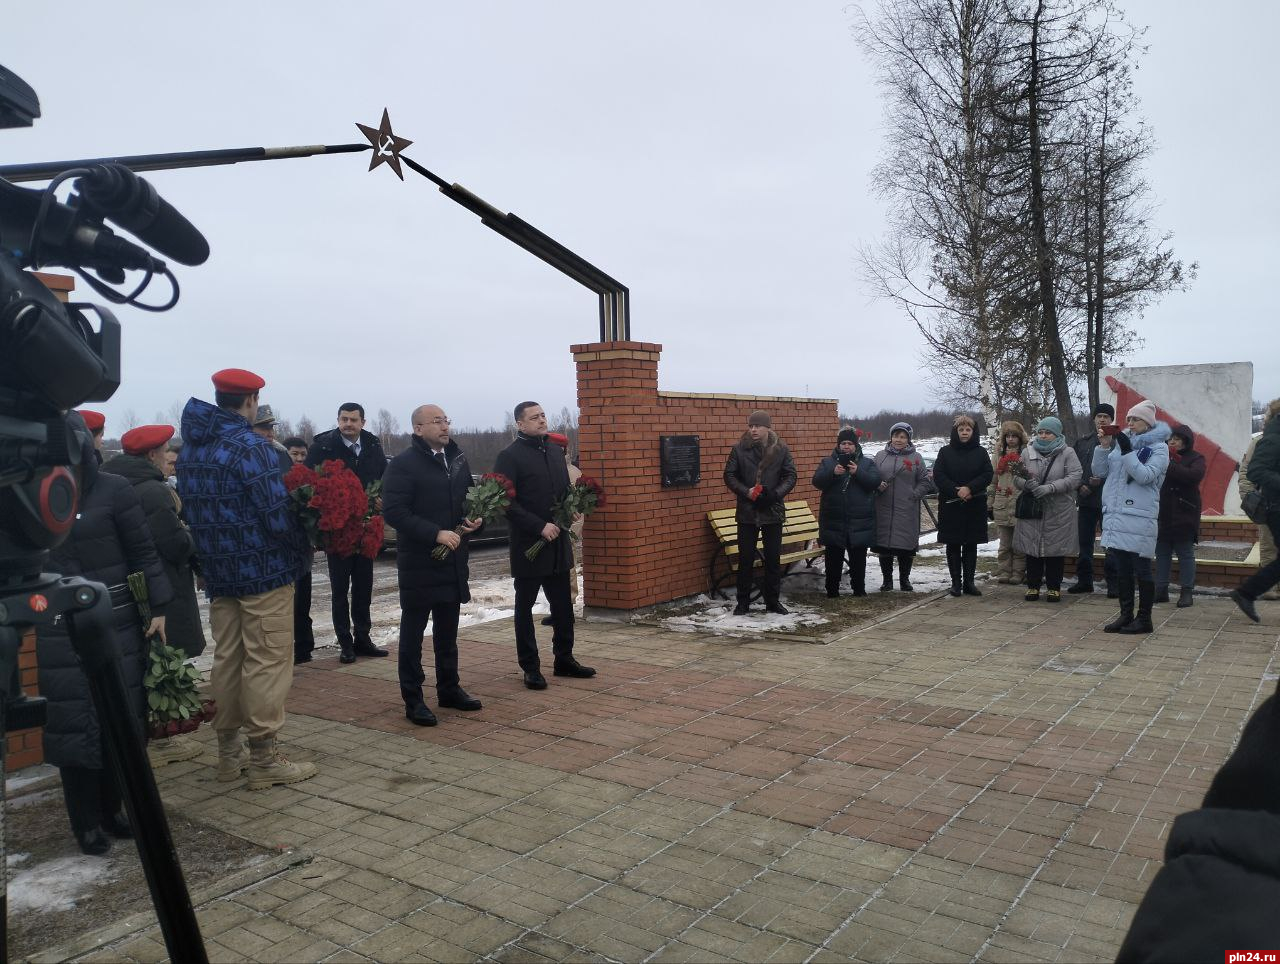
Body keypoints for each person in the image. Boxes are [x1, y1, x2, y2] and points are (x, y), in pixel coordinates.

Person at [37, 419, 172, 855]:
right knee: (74, 723)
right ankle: (85, 822)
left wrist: (156, 606)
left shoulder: (115, 490)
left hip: (116, 618)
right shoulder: (33, 493)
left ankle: (113, 810)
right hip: (59, 624)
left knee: (121, 719)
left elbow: (142, 553)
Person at [178, 368, 315, 789]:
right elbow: (275, 515)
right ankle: (264, 759)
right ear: (252, 400)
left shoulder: (189, 450)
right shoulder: (249, 447)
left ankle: (227, 755)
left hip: (220, 575)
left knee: (229, 660)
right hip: (263, 574)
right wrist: (303, 539)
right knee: (267, 661)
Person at [102, 424, 207, 768]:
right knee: (161, 658)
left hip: (134, 585)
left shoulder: (114, 484)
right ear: (151, 455)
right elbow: (173, 543)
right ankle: (159, 742)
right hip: (163, 583)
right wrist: (191, 535)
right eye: (164, 452)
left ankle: (151, 738)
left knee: (146, 657)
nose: (169, 459)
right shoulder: (153, 491)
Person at [382, 404, 484, 725]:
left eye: (446, 420)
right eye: (436, 421)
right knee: (413, 635)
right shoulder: (403, 464)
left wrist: (471, 520)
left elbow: (467, 497)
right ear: (417, 429)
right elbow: (395, 512)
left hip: (452, 561)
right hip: (419, 563)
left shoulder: (456, 459)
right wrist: (434, 533)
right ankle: (413, 699)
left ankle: (449, 688)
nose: (444, 426)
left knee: (447, 632)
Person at [494, 401, 595, 688]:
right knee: (524, 608)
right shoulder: (509, 456)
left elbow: (562, 491)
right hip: (529, 544)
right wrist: (538, 526)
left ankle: (564, 658)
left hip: (558, 541)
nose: (541, 420)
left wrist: (571, 508)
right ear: (520, 424)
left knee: (563, 606)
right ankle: (530, 667)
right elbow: (504, 501)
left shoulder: (553, 451)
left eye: (542, 415)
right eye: (534, 417)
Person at [305, 403, 388, 663]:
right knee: (340, 590)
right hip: (338, 527)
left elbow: (385, 477)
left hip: (366, 527)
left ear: (363, 421)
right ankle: (346, 643)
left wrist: (381, 499)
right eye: (344, 419)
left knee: (364, 587)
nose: (348, 424)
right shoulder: (323, 447)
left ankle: (363, 638)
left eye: (353, 419)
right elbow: (310, 483)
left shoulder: (373, 445)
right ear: (338, 420)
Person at [1093, 400, 1171, 635]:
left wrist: (1127, 451)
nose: (1130, 423)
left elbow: (1145, 476)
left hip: (1139, 515)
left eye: (1135, 419)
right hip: (1117, 514)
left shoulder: (1159, 448)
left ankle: (1144, 618)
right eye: (1128, 419)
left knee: (1142, 568)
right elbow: (1100, 473)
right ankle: (1125, 615)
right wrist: (1105, 447)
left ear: (1147, 423)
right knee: (1122, 568)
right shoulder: (1121, 443)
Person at [723, 410, 798, 616]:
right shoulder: (739, 449)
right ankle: (743, 603)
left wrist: (775, 494)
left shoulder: (781, 449)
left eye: (758, 426)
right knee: (746, 560)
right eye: (751, 426)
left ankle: (772, 602)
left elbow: (791, 476)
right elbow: (729, 476)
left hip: (772, 511)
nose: (753, 429)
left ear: (767, 427)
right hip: (747, 513)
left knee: (773, 560)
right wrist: (745, 491)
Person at [1011, 417, 1082, 602]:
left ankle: (1053, 587)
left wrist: (1051, 487)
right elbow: (1016, 477)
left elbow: (1075, 476)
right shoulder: (1028, 452)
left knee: (1055, 551)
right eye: (1041, 432)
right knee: (1032, 548)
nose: (1043, 435)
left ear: (1057, 434)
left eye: (1048, 432)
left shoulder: (1067, 452)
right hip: (1033, 508)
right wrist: (1027, 484)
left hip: (1058, 509)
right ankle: (1033, 586)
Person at [812, 428, 881, 597]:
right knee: (833, 557)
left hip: (859, 519)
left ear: (855, 445)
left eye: (850, 443)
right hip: (834, 518)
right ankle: (832, 591)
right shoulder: (828, 463)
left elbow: (874, 482)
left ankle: (859, 589)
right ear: (838, 445)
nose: (846, 446)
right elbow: (817, 482)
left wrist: (858, 472)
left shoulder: (866, 463)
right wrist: (832, 473)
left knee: (858, 557)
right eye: (843, 443)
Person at [932, 415, 994, 597]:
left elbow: (987, 474)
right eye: (961, 430)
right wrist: (955, 490)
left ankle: (969, 582)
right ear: (956, 432)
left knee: (970, 544)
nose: (965, 433)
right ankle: (955, 584)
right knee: (953, 544)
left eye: (968, 430)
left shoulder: (981, 452)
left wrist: (970, 488)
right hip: (951, 505)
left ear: (973, 432)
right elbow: (939, 475)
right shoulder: (945, 452)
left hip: (974, 504)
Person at [1231, 399, 1280, 622]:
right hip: (1275, 507)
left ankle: (1246, 593)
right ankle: (1247, 592)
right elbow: (1255, 471)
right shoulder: (1271, 439)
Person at [872, 422, 934, 592]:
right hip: (883, 507)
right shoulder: (880, 456)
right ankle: (887, 581)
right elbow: (872, 477)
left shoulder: (916, 458)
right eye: (895, 436)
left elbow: (924, 481)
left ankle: (904, 580)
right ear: (890, 437)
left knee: (905, 547)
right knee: (884, 546)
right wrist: (877, 485)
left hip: (906, 508)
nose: (898, 440)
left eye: (902, 436)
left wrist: (914, 495)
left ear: (908, 439)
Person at [1155, 424, 1206, 608]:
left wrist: (1170, 464)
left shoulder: (1196, 458)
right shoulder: (1161, 456)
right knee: (1162, 552)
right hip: (1163, 511)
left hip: (1185, 512)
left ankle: (1187, 591)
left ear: (1186, 440)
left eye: (1176, 438)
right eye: (1170, 438)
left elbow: (1193, 476)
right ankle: (1160, 590)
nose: (1173, 442)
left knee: (1185, 553)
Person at [1070, 403, 1117, 595]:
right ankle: (1084, 581)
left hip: (1109, 502)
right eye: (1099, 416)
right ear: (1094, 419)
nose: (1103, 419)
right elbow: (1073, 467)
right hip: (1086, 501)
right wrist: (1080, 485)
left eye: (1106, 416)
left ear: (1111, 420)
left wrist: (1100, 482)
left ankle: (1113, 584)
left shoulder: (1118, 442)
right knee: (1085, 543)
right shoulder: (1083, 442)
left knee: (1111, 544)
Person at [280, 435, 316, 661]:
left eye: (303, 455)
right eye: (295, 454)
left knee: (303, 602)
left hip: (304, 551)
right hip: (284, 552)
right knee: (286, 605)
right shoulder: (278, 480)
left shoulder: (310, 481)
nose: (300, 459)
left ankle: (304, 648)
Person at [542, 431, 582, 625]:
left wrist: (570, 529)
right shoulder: (552, 467)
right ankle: (560, 609)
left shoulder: (569, 471)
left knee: (568, 566)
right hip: (555, 527)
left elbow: (576, 506)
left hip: (567, 527)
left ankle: (568, 606)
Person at [990, 422, 1028, 585]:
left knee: (1019, 544)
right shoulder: (998, 453)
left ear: (1020, 438)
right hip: (1002, 502)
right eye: (1008, 436)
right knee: (1005, 544)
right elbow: (992, 480)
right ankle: (1004, 571)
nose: (1011, 439)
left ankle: (1018, 572)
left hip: (1019, 501)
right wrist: (989, 501)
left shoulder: (1026, 453)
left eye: (1014, 436)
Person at [251, 404, 294, 475]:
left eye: (271, 427)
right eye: (264, 428)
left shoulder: (282, 454)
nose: (270, 433)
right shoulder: (245, 455)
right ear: (251, 429)